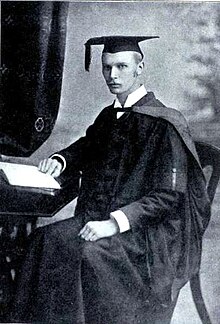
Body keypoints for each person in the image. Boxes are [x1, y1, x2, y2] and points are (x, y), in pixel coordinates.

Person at [11, 36, 211, 324]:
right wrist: (61, 159)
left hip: (143, 235)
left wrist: (113, 223)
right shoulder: (110, 116)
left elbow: (169, 198)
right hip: (95, 218)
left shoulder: (164, 123)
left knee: (86, 254)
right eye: (107, 68)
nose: (113, 75)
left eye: (121, 66)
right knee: (45, 240)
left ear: (139, 68)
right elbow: (86, 146)